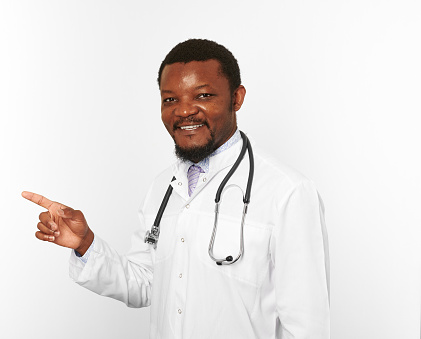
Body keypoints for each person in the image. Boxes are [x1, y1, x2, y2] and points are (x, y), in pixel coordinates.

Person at [22, 39, 330, 338]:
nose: (183, 111)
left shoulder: (287, 192)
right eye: (170, 99)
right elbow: (144, 283)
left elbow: (307, 326)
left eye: (203, 95)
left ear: (236, 98)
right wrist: (86, 244)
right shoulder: (163, 188)